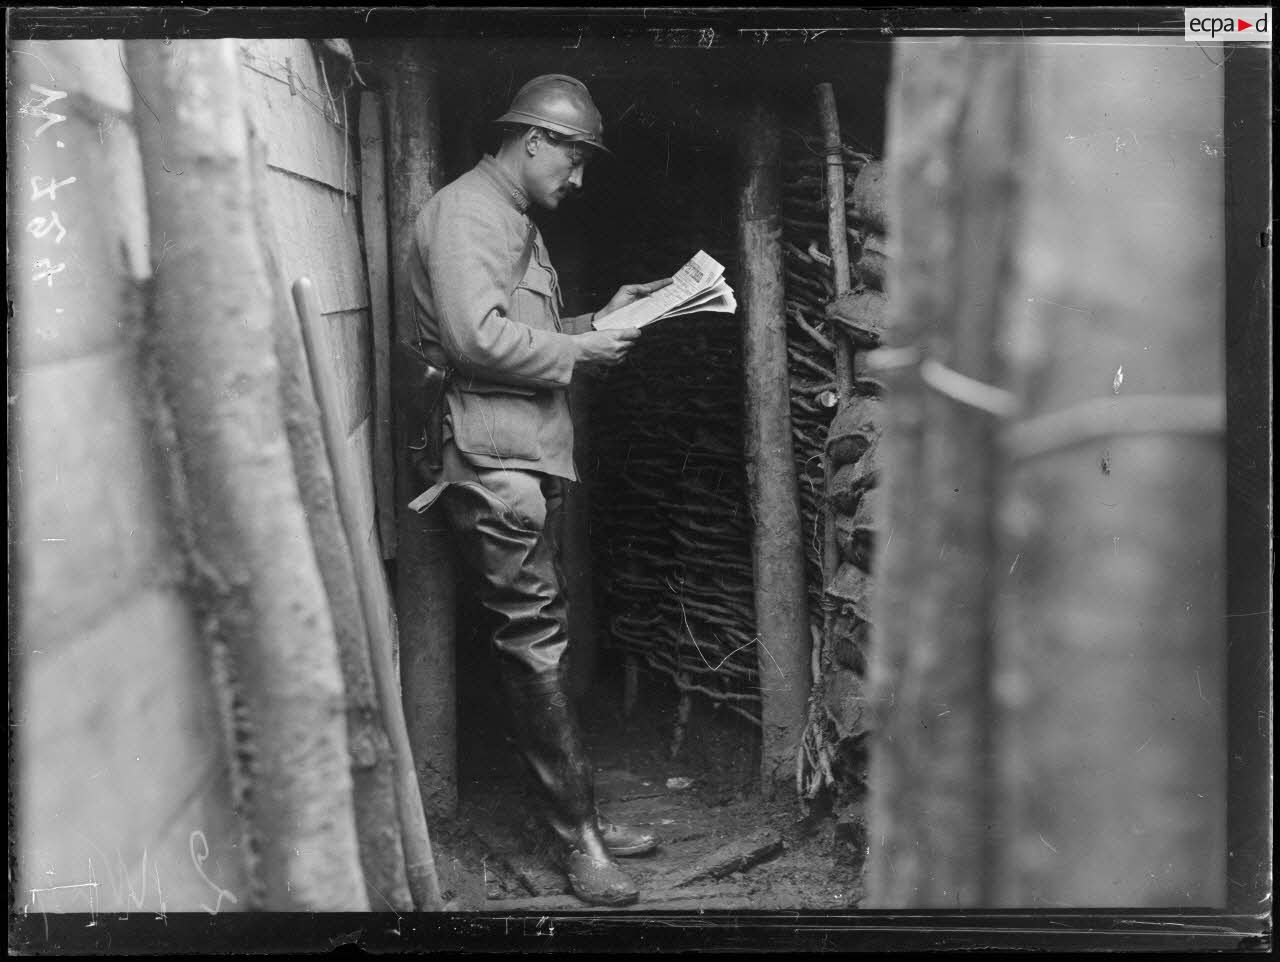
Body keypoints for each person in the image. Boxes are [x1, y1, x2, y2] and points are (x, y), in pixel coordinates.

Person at [405, 74, 672, 907]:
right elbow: (471, 337)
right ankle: (579, 841)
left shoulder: (507, 217)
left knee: (541, 638)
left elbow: (518, 328)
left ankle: (581, 815)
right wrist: (579, 358)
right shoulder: (468, 213)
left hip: (521, 452)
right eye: (575, 159)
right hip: (490, 459)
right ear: (533, 141)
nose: (579, 179)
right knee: (532, 640)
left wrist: (596, 323)